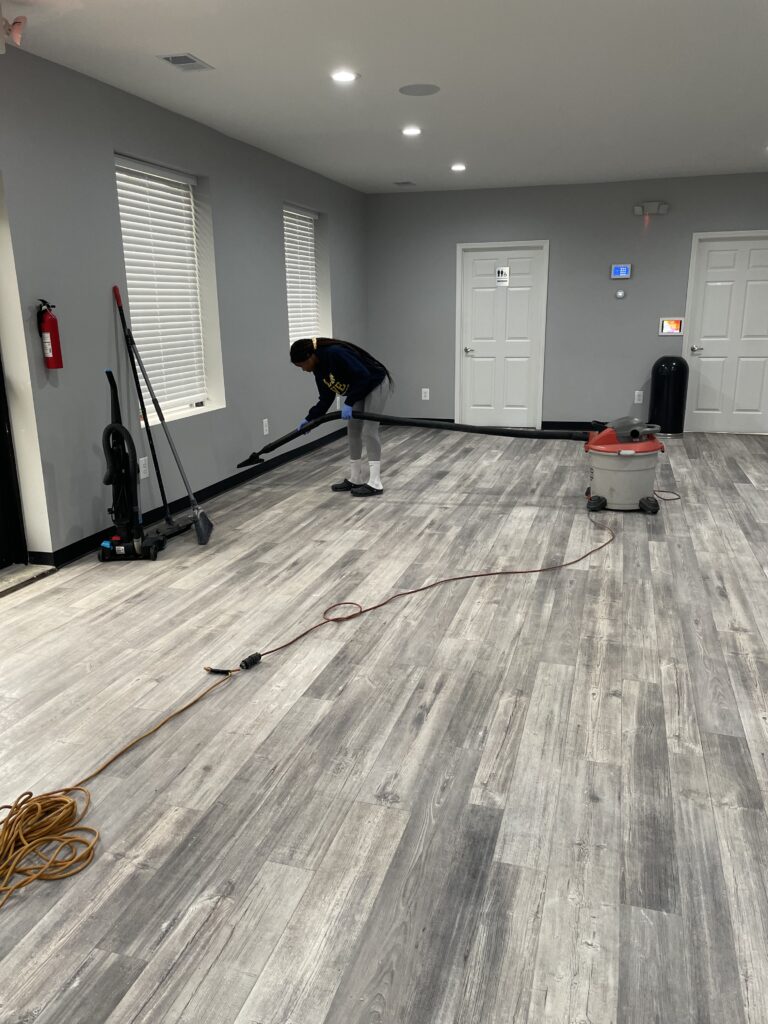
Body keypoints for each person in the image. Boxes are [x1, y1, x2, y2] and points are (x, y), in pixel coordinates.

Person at [290, 336, 392, 496]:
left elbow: (363, 376)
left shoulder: (335, 353)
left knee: (369, 431)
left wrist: (349, 402)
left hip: (375, 383)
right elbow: (326, 398)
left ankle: (375, 482)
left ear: (310, 355)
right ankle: (355, 478)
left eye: (303, 365)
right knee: (353, 430)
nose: (303, 369)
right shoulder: (317, 368)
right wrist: (310, 419)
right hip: (359, 388)